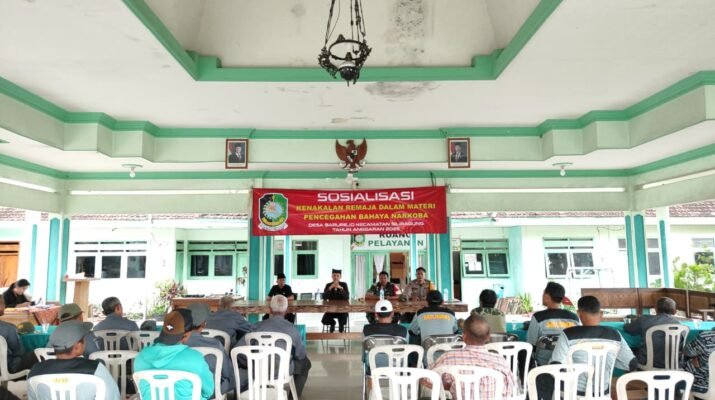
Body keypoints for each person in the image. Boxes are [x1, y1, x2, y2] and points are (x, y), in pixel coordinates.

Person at [546, 296, 637, 399]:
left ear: (579, 313)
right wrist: (609, 361)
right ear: (601, 314)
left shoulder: (568, 334)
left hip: (573, 395)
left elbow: (555, 367)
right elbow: (632, 364)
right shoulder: (615, 335)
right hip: (602, 394)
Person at [425, 314, 514, 400]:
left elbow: (425, 378)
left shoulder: (448, 358)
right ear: (488, 337)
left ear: (464, 336)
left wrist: (449, 387)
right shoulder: (500, 362)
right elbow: (509, 390)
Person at [237, 295, 311, 396]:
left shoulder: (256, 326)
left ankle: (248, 391)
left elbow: (239, 350)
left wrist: (251, 363)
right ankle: (293, 396)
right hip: (283, 370)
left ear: (270, 309)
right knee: (305, 363)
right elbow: (300, 355)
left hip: (258, 369)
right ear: (286, 310)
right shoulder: (293, 329)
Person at [27, 321, 120, 400]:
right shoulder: (96, 369)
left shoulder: (35, 371)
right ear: (77, 347)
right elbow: (113, 397)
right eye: (84, 338)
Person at [134, 309, 214, 400]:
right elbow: (208, 391)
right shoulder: (196, 359)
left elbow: (141, 391)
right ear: (187, 334)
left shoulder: (140, 358)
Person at [186, 303, 234, 396]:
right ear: (204, 323)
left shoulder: (176, 345)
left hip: (184, 389)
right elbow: (227, 373)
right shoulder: (215, 344)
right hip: (212, 391)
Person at [526, 282, 580, 365]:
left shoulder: (538, 317)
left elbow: (531, 344)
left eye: (543, 293)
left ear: (547, 297)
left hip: (543, 365)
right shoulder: (574, 318)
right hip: (567, 364)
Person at [623, 296, 681, 368]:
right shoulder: (679, 325)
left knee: (629, 350)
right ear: (674, 311)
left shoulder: (644, 320)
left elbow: (628, 329)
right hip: (673, 363)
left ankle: (631, 373)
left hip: (646, 362)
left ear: (656, 308)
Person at [0, 296, 37, 374]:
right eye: (3, 303)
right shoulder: (9, 328)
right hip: (8, 367)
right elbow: (19, 352)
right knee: (36, 354)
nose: (4, 306)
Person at [681, 329, 715, 394]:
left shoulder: (705, 338)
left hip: (703, 387)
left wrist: (696, 358)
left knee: (681, 363)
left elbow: (686, 352)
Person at [321, 269, 350, 333]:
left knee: (343, 320)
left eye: (337, 276)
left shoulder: (344, 284)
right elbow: (324, 297)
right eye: (334, 275)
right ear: (332, 276)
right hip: (330, 309)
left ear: (340, 277)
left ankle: (341, 326)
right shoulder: (328, 285)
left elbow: (347, 297)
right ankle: (333, 324)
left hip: (342, 309)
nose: (336, 277)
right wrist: (330, 287)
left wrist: (341, 288)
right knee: (324, 320)